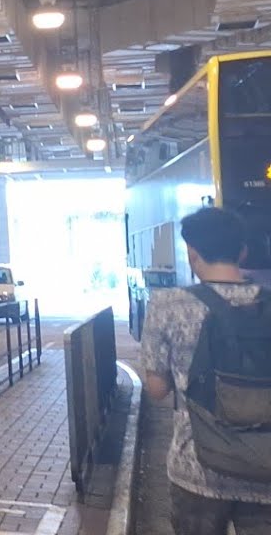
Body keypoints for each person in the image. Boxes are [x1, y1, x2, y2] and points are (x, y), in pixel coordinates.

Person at [141, 206, 271, 534]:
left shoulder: (168, 305)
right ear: (242, 252)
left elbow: (157, 390)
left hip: (197, 467)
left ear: (192, 253)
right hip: (265, 465)